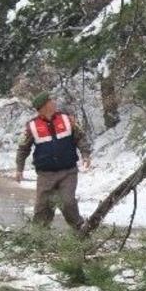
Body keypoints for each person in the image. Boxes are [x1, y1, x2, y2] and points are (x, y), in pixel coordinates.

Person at [15, 92, 92, 229]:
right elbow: (23, 148)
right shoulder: (31, 126)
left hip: (68, 172)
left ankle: (80, 230)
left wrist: (85, 154)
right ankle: (39, 235)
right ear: (43, 106)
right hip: (45, 175)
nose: (54, 102)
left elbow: (80, 138)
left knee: (67, 202)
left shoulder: (67, 119)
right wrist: (19, 169)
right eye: (50, 101)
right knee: (43, 208)